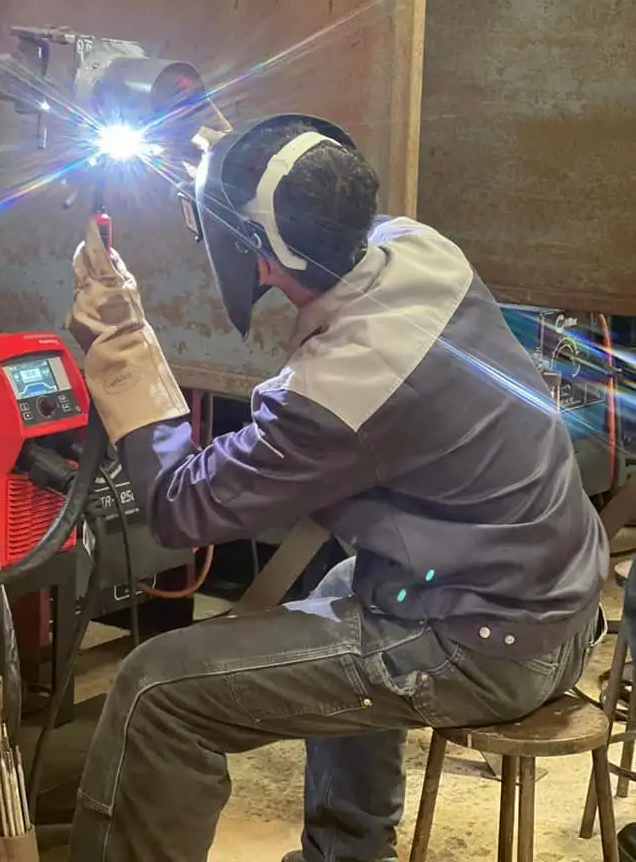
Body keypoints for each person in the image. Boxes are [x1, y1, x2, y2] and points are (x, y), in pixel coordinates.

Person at [66, 114, 608, 862]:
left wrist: (122, 345)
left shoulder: (336, 396)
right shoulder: (421, 249)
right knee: (339, 589)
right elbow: (308, 213)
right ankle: (348, 854)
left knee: (156, 690)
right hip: (559, 600)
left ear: (256, 257)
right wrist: (227, 161)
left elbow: (177, 508)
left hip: (490, 646)